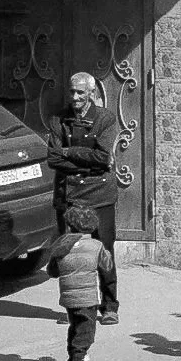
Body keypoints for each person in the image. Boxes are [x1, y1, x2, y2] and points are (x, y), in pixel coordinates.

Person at [47, 72, 127, 324]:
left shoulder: (105, 118)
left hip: (100, 194)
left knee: (104, 248)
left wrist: (69, 152)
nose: (75, 97)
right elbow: (53, 159)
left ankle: (110, 305)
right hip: (68, 196)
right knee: (70, 252)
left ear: (92, 94)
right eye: (72, 92)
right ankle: (76, 307)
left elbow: (104, 157)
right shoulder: (58, 119)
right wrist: (85, 161)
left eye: (80, 93)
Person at [47, 208, 115, 361]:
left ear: (69, 226)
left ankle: (73, 357)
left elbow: (52, 271)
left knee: (75, 325)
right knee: (86, 329)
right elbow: (107, 267)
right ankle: (79, 359)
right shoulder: (96, 245)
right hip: (88, 296)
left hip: (68, 296)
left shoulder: (60, 245)